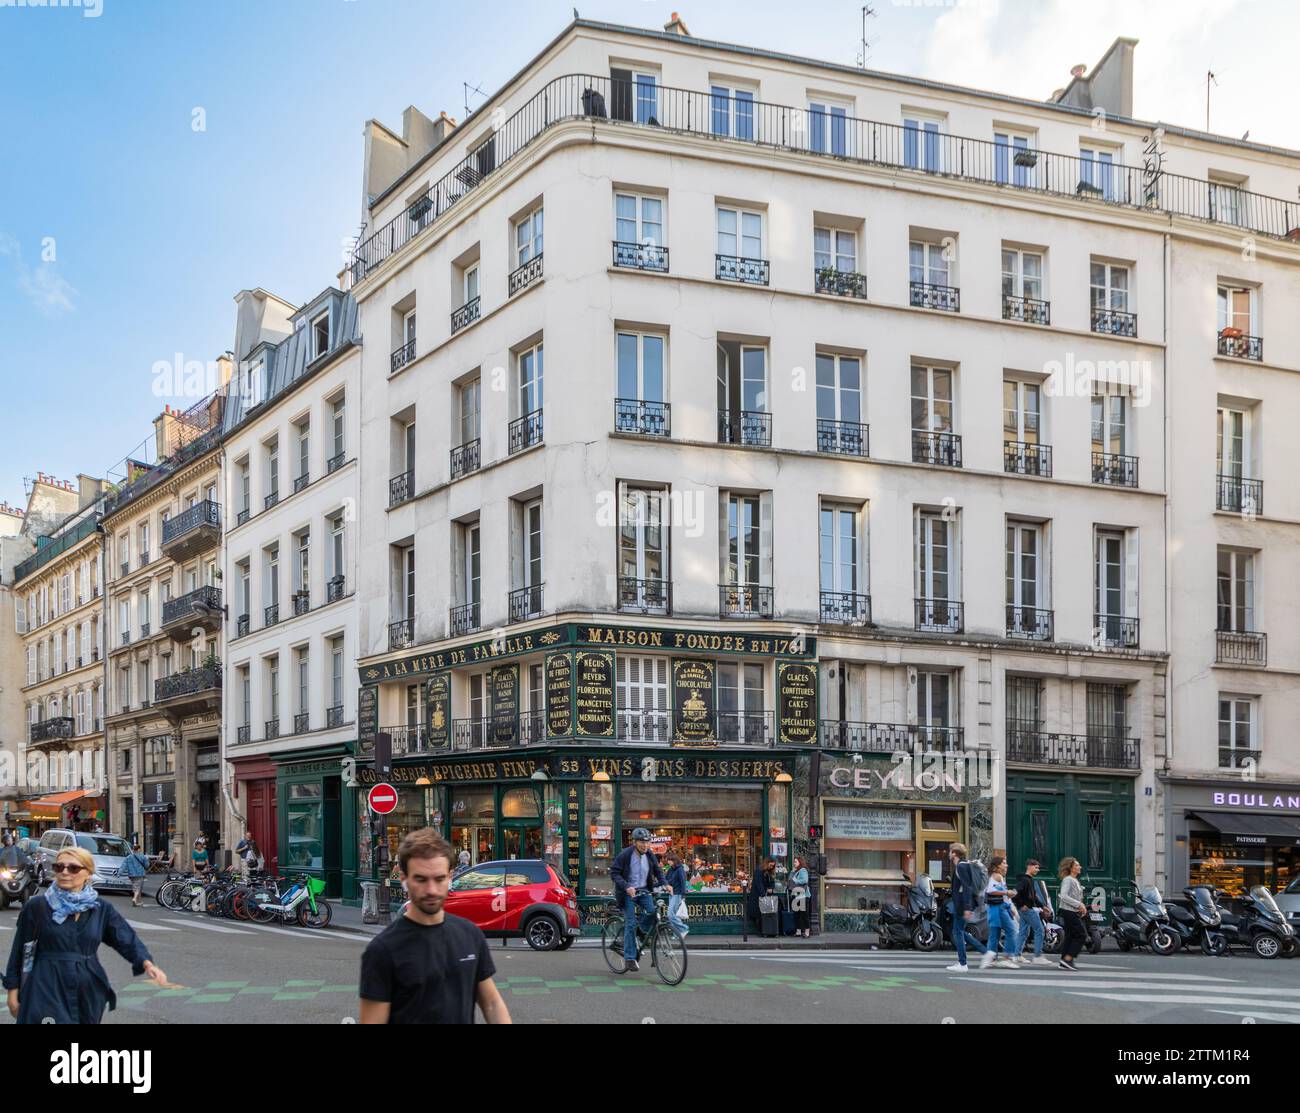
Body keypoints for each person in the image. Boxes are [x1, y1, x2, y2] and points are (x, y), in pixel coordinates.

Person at [358, 828, 510, 1024]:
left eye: (439, 879)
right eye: (421, 879)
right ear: (404, 879)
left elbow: (491, 1004)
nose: (431, 890)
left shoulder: (470, 935)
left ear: (450, 877)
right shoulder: (382, 951)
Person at [4, 847, 170, 1024]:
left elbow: (125, 937)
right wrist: (13, 993)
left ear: (88, 873)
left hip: (87, 987)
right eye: (59, 867)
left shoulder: (100, 908)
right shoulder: (37, 906)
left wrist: (146, 963)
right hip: (46, 984)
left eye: (73, 868)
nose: (65, 872)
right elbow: (19, 951)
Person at [608, 828, 665, 973]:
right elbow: (614, 873)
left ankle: (641, 931)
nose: (645, 845)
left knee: (652, 913)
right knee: (631, 923)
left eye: (647, 842)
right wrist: (626, 886)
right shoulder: (625, 855)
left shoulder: (650, 854)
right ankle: (629, 958)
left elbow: (658, 871)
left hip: (643, 890)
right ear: (634, 842)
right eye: (641, 842)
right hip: (628, 893)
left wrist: (666, 883)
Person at [944, 842, 985, 972]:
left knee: (958, 932)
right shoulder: (963, 865)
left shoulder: (961, 867)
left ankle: (963, 964)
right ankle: (985, 952)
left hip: (962, 905)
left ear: (954, 853)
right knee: (959, 930)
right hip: (962, 904)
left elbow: (967, 887)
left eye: (950, 851)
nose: (948, 853)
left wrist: (967, 907)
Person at [978, 856, 1021, 970]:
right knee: (1012, 930)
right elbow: (991, 890)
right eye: (1004, 863)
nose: (1006, 865)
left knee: (994, 934)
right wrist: (1007, 892)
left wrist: (1009, 903)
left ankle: (991, 959)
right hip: (999, 908)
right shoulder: (997, 876)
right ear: (998, 866)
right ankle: (1008, 958)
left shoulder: (995, 876)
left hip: (995, 908)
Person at [1011, 859, 1052, 966]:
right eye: (1036, 867)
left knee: (1023, 932)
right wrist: (1020, 905)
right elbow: (1014, 893)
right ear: (1029, 866)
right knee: (1040, 930)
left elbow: (1033, 897)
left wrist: (1043, 906)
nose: (1038, 870)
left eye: (1038, 868)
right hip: (1028, 910)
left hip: (1026, 909)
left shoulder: (1029, 880)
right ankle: (1037, 956)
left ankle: (1017, 955)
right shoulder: (1025, 880)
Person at [1056, 857, 1087, 971]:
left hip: (1072, 911)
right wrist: (1079, 904)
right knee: (1081, 934)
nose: (1080, 867)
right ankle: (1068, 959)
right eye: (1077, 865)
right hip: (1068, 911)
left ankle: (1065, 960)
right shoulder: (1068, 879)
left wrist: (1080, 907)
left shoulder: (1074, 880)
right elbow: (1063, 896)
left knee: (1070, 936)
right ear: (1071, 868)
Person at [663, 852, 689, 938]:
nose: (668, 862)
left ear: (674, 860)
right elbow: (665, 881)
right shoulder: (670, 870)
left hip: (677, 894)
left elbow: (683, 883)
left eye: (669, 860)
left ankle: (683, 928)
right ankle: (677, 934)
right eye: (667, 860)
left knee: (670, 914)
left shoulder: (680, 870)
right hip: (671, 894)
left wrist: (683, 895)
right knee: (674, 914)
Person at [122, 840, 149, 908]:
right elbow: (147, 865)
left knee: (136, 886)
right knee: (138, 888)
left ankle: (138, 901)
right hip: (140, 874)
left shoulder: (129, 857)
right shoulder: (143, 857)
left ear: (133, 849)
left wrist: (118, 874)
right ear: (139, 849)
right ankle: (134, 899)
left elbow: (123, 866)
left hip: (131, 875)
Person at [789, 856, 811, 938]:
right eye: (794, 862)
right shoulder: (795, 871)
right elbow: (790, 880)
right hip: (796, 895)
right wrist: (792, 872)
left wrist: (796, 880)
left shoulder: (803, 870)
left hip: (803, 895)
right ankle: (798, 931)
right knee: (796, 914)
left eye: (795, 862)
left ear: (800, 862)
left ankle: (807, 931)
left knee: (804, 914)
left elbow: (805, 880)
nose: (794, 863)